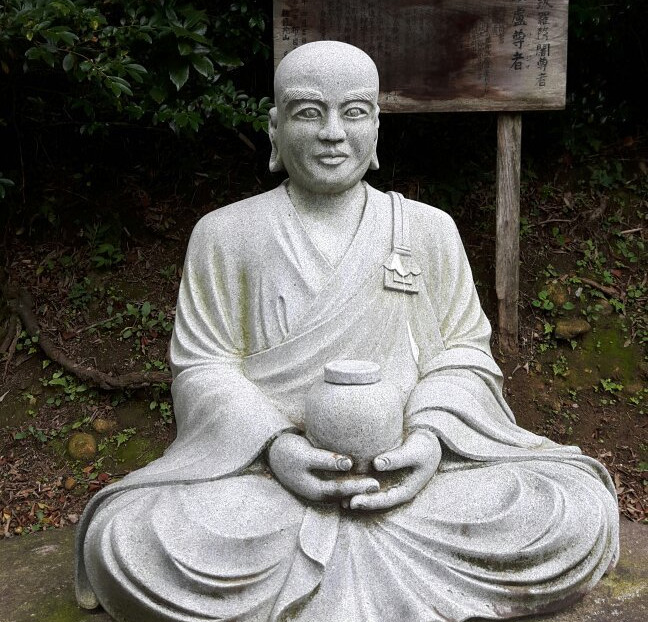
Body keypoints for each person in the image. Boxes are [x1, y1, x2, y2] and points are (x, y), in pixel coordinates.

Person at [76, 41, 619, 622]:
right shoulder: (226, 234)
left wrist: (430, 441)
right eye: (310, 112)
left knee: (574, 511)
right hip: (270, 490)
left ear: (377, 127)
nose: (333, 133)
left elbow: (464, 355)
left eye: (354, 112)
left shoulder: (427, 229)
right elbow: (203, 367)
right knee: (127, 538)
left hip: (414, 487)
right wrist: (276, 448)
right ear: (275, 127)